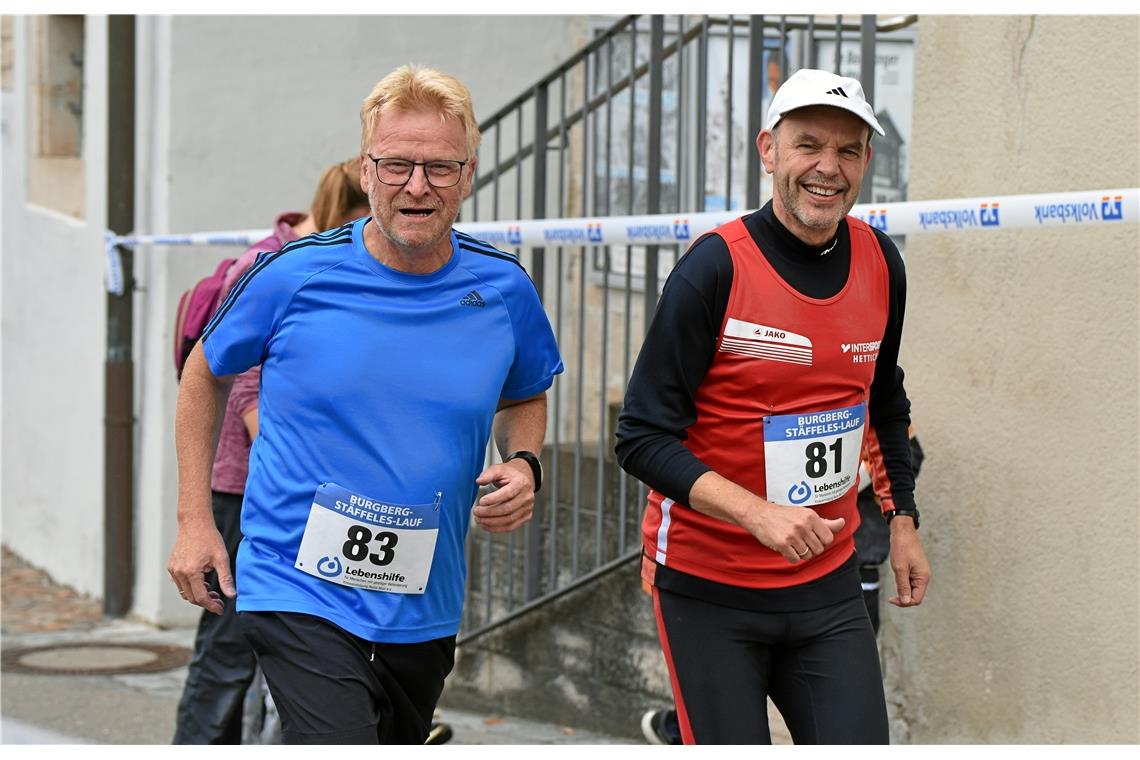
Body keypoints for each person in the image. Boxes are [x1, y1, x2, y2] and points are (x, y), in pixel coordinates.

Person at [167, 64, 563, 745]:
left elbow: (526, 391)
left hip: (424, 601)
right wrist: (194, 521)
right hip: (295, 588)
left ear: (468, 176)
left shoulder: (503, 290)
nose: (417, 185)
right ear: (364, 169)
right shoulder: (294, 274)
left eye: (440, 168)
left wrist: (524, 462)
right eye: (397, 164)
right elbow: (204, 374)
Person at [616, 67, 930, 745]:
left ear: (867, 161)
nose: (828, 167)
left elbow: (884, 399)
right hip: (709, 590)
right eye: (808, 145)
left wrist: (902, 518)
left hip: (826, 584)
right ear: (769, 150)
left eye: (848, 151)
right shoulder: (714, 267)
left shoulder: (882, 260)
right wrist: (757, 513)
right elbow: (640, 436)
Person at [172, 157, 370, 745]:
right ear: (346, 214)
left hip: (296, 490)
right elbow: (245, 389)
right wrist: (303, 465)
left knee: (281, 656)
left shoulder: (326, 261)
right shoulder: (274, 267)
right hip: (247, 490)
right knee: (229, 650)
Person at [638, 430, 926, 745]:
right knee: (733, 704)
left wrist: (856, 490)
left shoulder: (859, 392)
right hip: (724, 581)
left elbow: (905, 448)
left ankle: (685, 728)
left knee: (841, 709)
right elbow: (650, 442)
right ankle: (686, 728)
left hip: (839, 573)